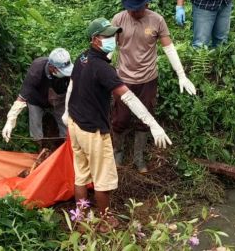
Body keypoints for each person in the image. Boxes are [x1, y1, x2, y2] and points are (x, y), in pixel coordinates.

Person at [63, 18, 172, 227]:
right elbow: (128, 97)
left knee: (81, 175)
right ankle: (105, 221)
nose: (114, 39)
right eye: (108, 36)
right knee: (103, 179)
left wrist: (67, 113)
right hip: (93, 131)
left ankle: (81, 216)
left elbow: (73, 86)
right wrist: (152, 123)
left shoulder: (82, 58)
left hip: (75, 126)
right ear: (95, 40)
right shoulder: (103, 69)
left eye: (114, 35)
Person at [111, 0, 196, 173]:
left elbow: (169, 48)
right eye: (129, 8)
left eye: (136, 9)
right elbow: (110, 47)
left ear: (146, 5)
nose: (132, 12)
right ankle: (117, 153)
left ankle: (138, 157)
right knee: (120, 117)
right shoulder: (119, 19)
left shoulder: (156, 20)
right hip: (124, 78)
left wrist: (181, 74)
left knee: (146, 117)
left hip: (148, 78)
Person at [2, 48, 73, 143]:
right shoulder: (37, 68)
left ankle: (65, 146)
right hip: (37, 99)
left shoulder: (70, 71)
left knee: (65, 124)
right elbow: (22, 97)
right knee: (35, 125)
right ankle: (38, 148)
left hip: (59, 98)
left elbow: (75, 89)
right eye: (62, 71)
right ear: (52, 67)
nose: (65, 74)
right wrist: (11, 119)